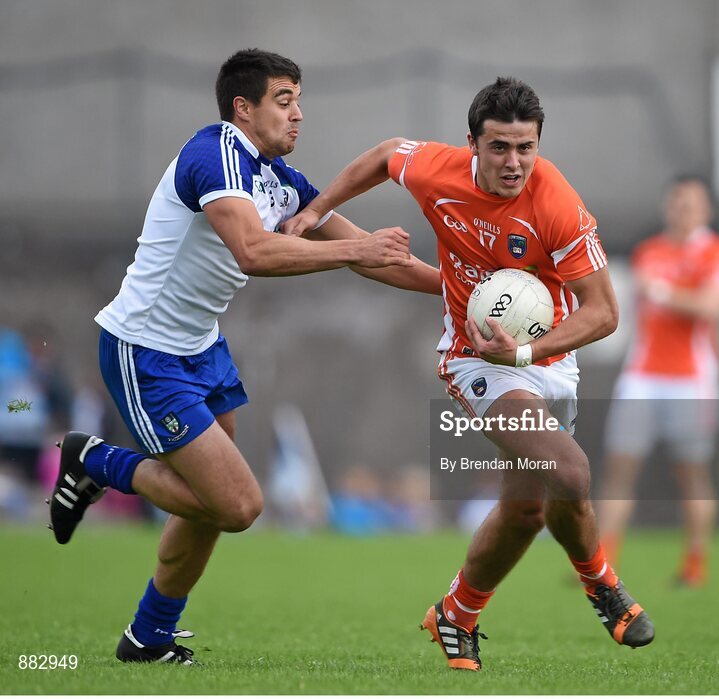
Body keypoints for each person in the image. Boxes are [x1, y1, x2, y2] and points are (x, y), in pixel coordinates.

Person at [48, 48, 441, 665]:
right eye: (284, 102)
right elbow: (253, 252)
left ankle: (147, 636)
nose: (298, 115)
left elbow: (372, 253)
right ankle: (95, 461)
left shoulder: (280, 181)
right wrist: (356, 254)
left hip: (201, 348)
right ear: (243, 108)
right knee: (237, 505)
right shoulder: (214, 154)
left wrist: (459, 289)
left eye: (299, 101)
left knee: (206, 503)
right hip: (144, 349)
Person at [284, 76, 655, 671]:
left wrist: (530, 355)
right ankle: (603, 586)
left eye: (525, 148)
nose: (514, 162)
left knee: (529, 509)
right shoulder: (438, 171)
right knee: (569, 468)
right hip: (475, 360)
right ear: (472, 145)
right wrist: (317, 209)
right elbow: (384, 155)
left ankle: (456, 614)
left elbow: (606, 312)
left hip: (546, 358)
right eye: (500, 147)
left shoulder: (556, 204)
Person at [598, 176, 719, 587]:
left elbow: (711, 307)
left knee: (691, 473)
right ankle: (604, 564)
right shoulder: (649, 251)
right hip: (641, 377)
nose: (683, 209)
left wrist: (660, 291)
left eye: (692, 203)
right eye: (677, 201)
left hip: (691, 381)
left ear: (707, 210)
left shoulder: (718, 254)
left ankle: (694, 563)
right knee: (619, 467)